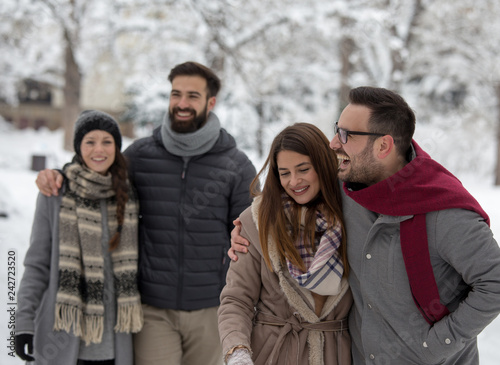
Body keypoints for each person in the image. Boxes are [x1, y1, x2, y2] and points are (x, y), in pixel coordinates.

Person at [229, 87, 500, 364]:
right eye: (337, 130)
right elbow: (293, 192)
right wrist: (247, 226)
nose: (334, 143)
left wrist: (437, 345)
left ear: (383, 146)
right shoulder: (343, 190)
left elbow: (495, 282)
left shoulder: (446, 211)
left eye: (346, 135)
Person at [35, 61, 256, 365]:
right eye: (175, 94)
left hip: (211, 309)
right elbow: (98, 173)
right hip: (151, 310)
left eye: (192, 96)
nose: (181, 103)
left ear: (210, 102)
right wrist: (58, 175)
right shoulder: (141, 155)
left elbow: (250, 236)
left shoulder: (236, 165)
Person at [15, 110, 143, 365]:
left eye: (107, 142)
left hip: (115, 340)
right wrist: (23, 322)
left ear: (117, 147)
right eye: (90, 141)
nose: (99, 149)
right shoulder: (55, 193)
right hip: (64, 336)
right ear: (78, 146)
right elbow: (37, 264)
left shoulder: (129, 195)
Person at [218, 123, 352, 365]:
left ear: (322, 165)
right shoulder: (258, 222)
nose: (294, 181)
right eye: (284, 172)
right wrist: (238, 352)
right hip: (273, 353)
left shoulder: (353, 216)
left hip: (338, 354)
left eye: (303, 169)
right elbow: (237, 299)